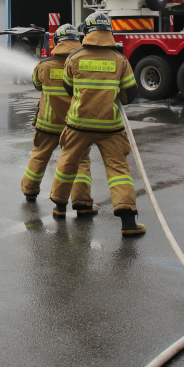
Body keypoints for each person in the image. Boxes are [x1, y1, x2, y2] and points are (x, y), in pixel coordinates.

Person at [49, 12, 145, 236]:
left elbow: (69, 88)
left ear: (87, 32)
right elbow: (131, 94)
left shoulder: (74, 58)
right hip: (109, 127)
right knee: (118, 169)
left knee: (67, 164)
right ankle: (128, 222)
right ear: (108, 31)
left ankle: (60, 207)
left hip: (77, 126)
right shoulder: (120, 60)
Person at [20, 23, 97, 216]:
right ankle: (82, 202)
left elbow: (38, 86)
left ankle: (30, 191)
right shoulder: (83, 65)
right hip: (74, 125)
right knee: (80, 160)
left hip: (47, 124)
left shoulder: (43, 66)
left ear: (57, 42)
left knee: (39, 155)